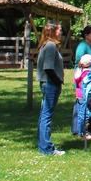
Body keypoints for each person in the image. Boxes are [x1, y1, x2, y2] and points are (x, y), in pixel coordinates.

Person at [37, 22, 66, 156]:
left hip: (48, 83)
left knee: (44, 115)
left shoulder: (48, 45)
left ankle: (43, 145)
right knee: (46, 116)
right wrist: (58, 81)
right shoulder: (50, 45)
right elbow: (48, 68)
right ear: (53, 31)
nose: (61, 32)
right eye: (59, 30)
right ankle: (47, 148)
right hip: (50, 84)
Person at [72, 54, 91, 140]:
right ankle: (82, 133)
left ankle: (79, 131)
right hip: (84, 95)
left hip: (78, 95)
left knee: (80, 114)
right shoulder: (87, 73)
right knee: (84, 115)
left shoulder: (79, 71)